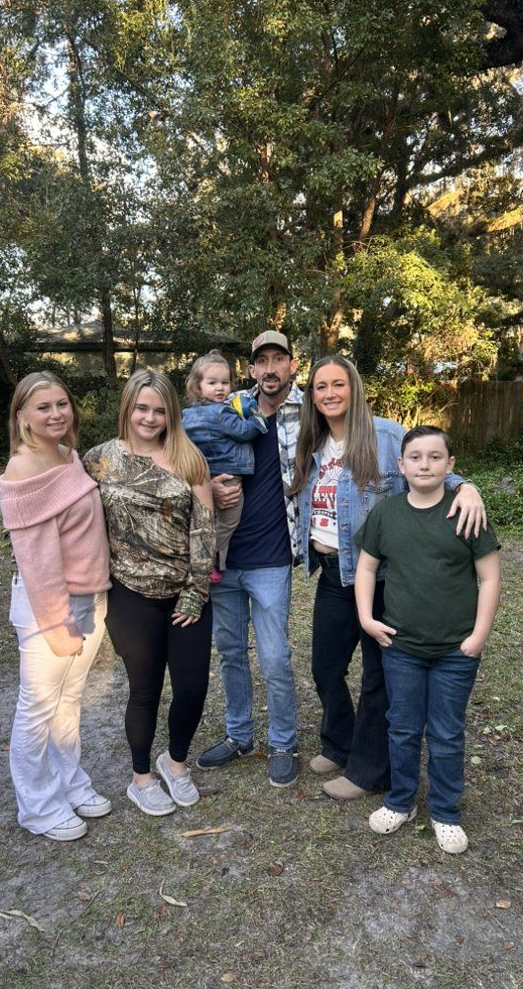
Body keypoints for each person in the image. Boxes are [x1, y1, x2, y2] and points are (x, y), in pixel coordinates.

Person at [290, 357, 487, 801]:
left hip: (381, 578)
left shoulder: (384, 435)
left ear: (353, 387)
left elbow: (432, 464)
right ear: (312, 395)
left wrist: (468, 487)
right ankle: (340, 744)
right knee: (325, 667)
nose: (329, 393)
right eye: (320, 386)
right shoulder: (314, 441)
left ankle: (369, 771)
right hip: (332, 575)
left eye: (338, 383)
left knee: (377, 677)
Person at [355, 425, 501, 854]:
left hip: (456, 650)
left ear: (450, 465)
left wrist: (478, 635)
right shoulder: (386, 513)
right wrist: (366, 617)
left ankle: (445, 810)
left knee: (446, 732)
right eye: (415, 457)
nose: (424, 464)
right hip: (402, 648)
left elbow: (489, 577)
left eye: (435, 457)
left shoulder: (466, 512)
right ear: (400, 466)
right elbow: (366, 568)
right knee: (401, 728)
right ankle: (401, 801)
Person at [84, 369, 215, 817]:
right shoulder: (100, 459)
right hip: (130, 593)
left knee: (193, 687)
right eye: (142, 408)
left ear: (171, 414)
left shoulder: (188, 458)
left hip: (185, 594)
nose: (150, 417)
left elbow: (204, 528)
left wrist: (196, 591)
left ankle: (174, 762)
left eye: (159, 410)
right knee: (145, 689)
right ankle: (141, 778)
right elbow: (72, 513)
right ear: (127, 408)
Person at [0, 371, 112, 842]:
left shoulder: (68, 457)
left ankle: (69, 783)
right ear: (22, 415)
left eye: (61, 404)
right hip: (51, 607)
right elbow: (38, 560)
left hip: (90, 596)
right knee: (38, 707)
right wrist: (56, 622)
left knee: (69, 699)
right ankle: (39, 807)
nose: (55, 414)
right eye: (43, 407)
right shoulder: (23, 471)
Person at [196, 330, 304, 787]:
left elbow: (372, 433)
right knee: (232, 652)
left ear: (292, 366)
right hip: (224, 556)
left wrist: (458, 480)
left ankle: (283, 742)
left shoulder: (310, 410)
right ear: (253, 369)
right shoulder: (229, 406)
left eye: (279, 358)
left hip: (271, 559)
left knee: (276, 657)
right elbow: (180, 450)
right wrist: (206, 484)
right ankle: (239, 735)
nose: (271, 368)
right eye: (263, 361)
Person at [182, 349, 267, 579]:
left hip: (203, 476)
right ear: (197, 386)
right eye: (212, 383)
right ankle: (207, 561)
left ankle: (207, 561)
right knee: (229, 521)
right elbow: (243, 432)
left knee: (205, 517)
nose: (220, 388)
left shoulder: (185, 416)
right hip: (229, 474)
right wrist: (257, 419)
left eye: (225, 382)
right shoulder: (222, 412)